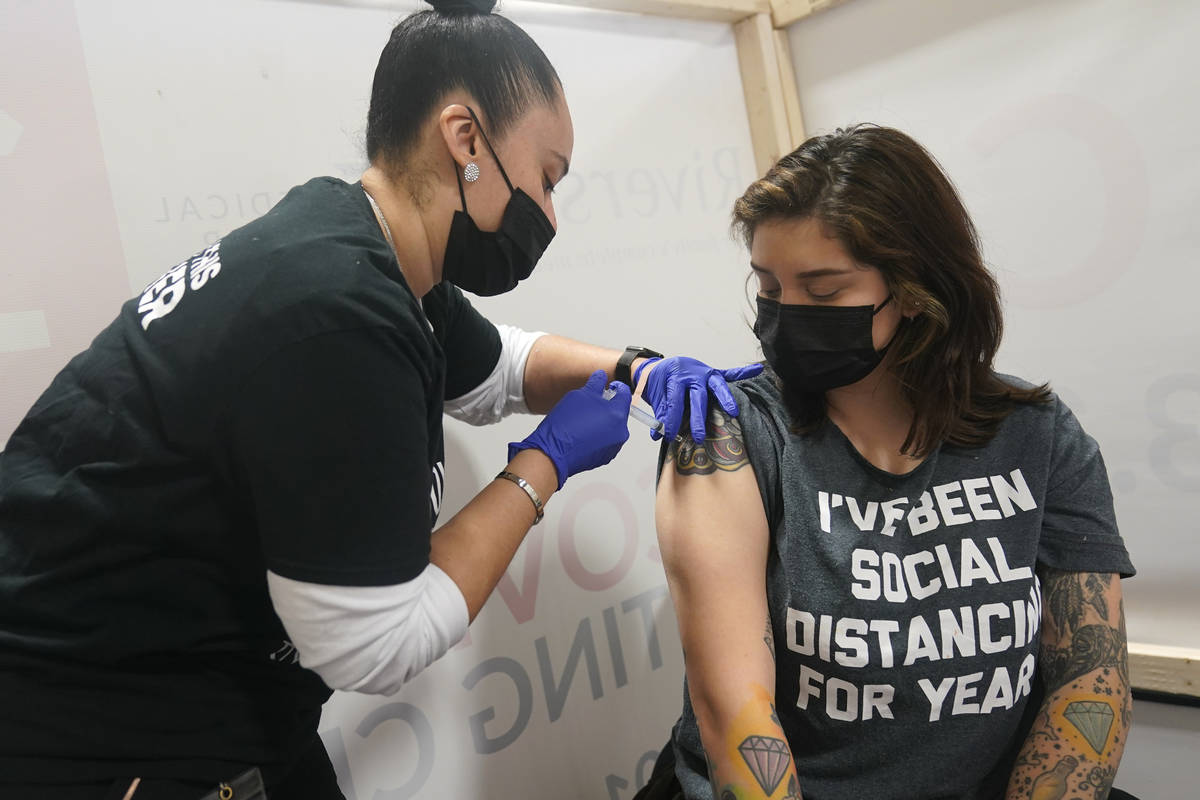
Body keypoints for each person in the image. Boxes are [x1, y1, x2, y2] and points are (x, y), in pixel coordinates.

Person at [0, 2, 758, 797]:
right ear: (466, 140)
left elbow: (496, 364)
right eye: (546, 178)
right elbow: (374, 646)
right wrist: (546, 462)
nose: (550, 214)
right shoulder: (335, 311)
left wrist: (638, 367)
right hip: (94, 727)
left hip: (218, 691)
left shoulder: (364, 245)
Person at [642, 125, 1135, 800]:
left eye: (823, 291)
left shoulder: (1037, 436)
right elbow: (738, 715)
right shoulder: (729, 435)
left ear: (912, 290)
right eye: (768, 286)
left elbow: (1090, 683)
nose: (786, 314)